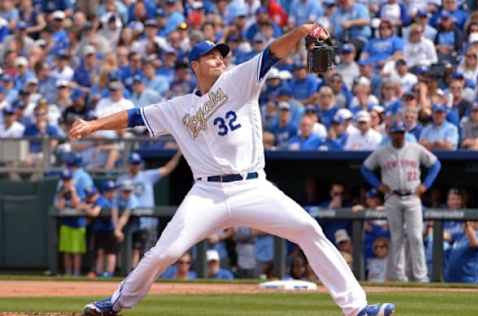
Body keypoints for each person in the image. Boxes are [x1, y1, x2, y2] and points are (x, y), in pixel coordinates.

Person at [71, 24, 394, 316]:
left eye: (220, 54)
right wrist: (93, 125)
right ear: (194, 66)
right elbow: (135, 116)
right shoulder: (177, 107)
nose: (218, 59)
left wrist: (300, 32)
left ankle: (357, 309)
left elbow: (272, 53)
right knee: (163, 252)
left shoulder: (238, 79)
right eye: (209, 56)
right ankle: (115, 304)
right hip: (206, 193)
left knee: (308, 230)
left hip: (253, 187)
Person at [361, 122, 441, 282]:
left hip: (412, 196)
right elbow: (365, 168)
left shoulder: (415, 148)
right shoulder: (382, 152)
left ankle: (421, 276)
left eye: (401, 132)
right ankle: (399, 276)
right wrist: (378, 185)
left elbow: (435, 164)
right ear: (390, 134)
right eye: (396, 132)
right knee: (396, 237)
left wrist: (426, 185)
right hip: (393, 197)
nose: (399, 135)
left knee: (416, 237)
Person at [117, 151, 182, 268]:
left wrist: (178, 154)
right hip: (130, 220)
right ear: (128, 164)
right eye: (132, 163)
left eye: (136, 163)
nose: (134, 165)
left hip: (148, 221)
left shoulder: (147, 176)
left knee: (148, 251)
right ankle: (131, 273)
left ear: (140, 164)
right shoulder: (122, 179)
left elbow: (167, 169)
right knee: (130, 250)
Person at [55, 169, 86, 276]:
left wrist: (72, 191)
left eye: (68, 179)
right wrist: (63, 194)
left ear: (72, 179)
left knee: (76, 252)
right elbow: (59, 207)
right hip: (66, 223)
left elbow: (78, 205)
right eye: (64, 180)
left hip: (78, 224)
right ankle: (68, 273)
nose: (66, 182)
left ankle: (76, 273)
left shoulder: (78, 189)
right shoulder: (60, 190)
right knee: (67, 251)